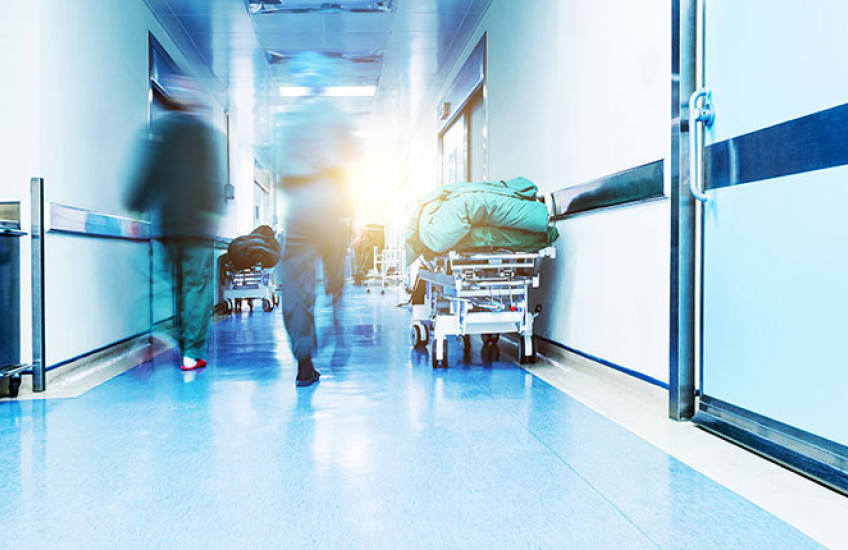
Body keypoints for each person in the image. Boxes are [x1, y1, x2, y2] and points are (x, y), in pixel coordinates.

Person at [125, 75, 223, 372]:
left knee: (175, 285)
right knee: (196, 288)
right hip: (197, 226)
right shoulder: (205, 134)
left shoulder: (160, 131)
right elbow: (211, 180)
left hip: (169, 226)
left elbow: (148, 174)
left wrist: (136, 212)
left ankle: (164, 339)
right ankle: (190, 353)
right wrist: (212, 215)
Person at [275, 52, 359, 386]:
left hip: (299, 208)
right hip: (331, 202)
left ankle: (305, 363)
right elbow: (352, 161)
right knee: (335, 268)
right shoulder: (336, 116)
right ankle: (338, 315)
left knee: (296, 286)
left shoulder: (289, 119)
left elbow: (279, 172)